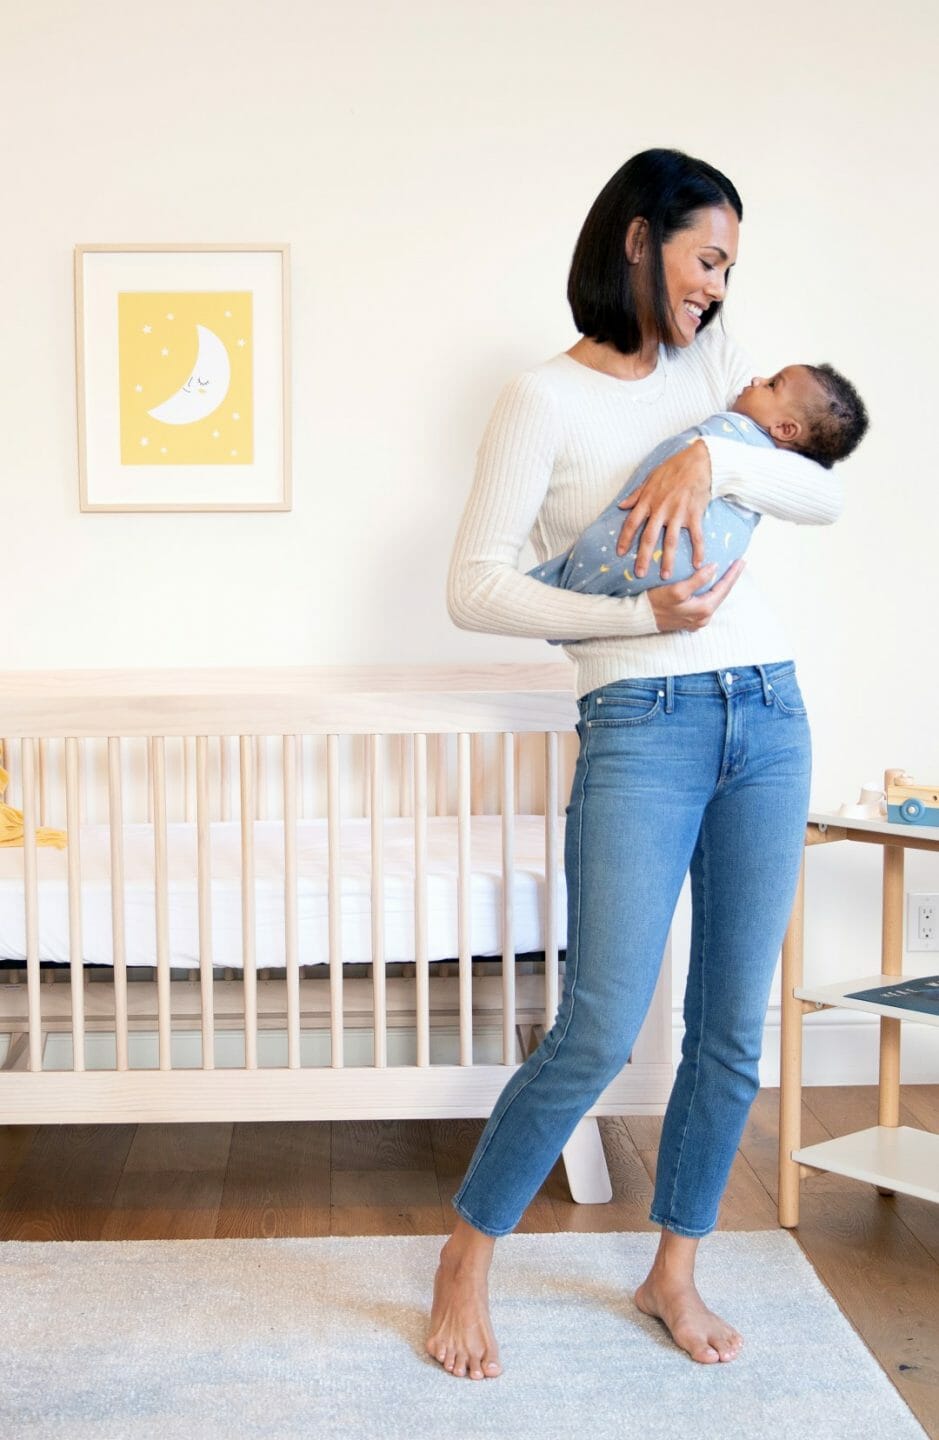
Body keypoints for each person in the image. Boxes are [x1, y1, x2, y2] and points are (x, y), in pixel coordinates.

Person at [430, 148, 845, 1380]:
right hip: (642, 720)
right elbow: (474, 588)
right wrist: (637, 616)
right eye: (705, 259)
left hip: (769, 710)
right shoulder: (539, 400)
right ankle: (467, 1254)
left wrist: (710, 459)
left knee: (731, 1027)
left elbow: (822, 493)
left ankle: (675, 1268)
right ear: (636, 238)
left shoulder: (714, 373)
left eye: (728, 270)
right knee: (603, 1024)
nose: (716, 289)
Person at [529, 363, 868, 608]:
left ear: (785, 429)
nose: (756, 379)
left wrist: (710, 456)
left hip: (723, 631)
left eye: (771, 384)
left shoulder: (738, 424)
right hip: (679, 601)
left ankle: (560, 585)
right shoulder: (542, 390)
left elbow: (831, 500)